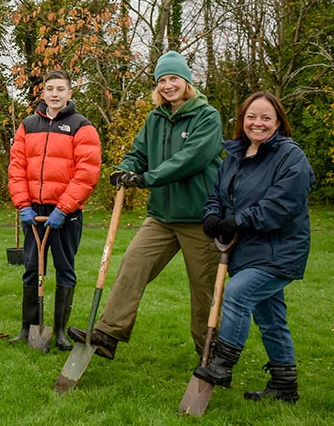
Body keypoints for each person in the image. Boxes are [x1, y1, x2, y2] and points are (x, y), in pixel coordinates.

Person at [69, 51, 223, 359]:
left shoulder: (207, 117)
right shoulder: (155, 119)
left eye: (174, 79)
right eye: (162, 80)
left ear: (187, 82)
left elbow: (189, 160)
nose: (168, 85)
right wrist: (125, 169)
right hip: (161, 218)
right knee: (133, 265)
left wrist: (146, 178)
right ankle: (108, 334)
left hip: (199, 217)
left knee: (204, 291)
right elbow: (138, 153)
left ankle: (211, 354)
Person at [193, 92, 314, 403]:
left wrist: (237, 221)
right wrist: (212, 217)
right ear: (242, 120)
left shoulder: (291, 157)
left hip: (279, 250)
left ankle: (222, 365)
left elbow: (279, 207)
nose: (257, 123)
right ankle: (285, 384)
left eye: (265, 118)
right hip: (246, 251)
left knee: (237, 295)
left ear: (278, 122)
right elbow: (216, 195)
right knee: (271, 318)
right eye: (251, 117)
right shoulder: (234, 156)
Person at [7, 70, 101, 351]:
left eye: (61, 89)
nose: (55, 94)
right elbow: (16, 167)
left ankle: (60, 332)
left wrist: (64, 208)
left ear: (70, 93)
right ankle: (28, 328)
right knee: (32, 268)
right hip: (33, 211)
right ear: (43, 93)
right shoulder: (28, 125)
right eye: (50, 89)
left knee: (64, 270)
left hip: (65, 214)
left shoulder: (82, 127)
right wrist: (23, 204)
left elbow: (87, 173)